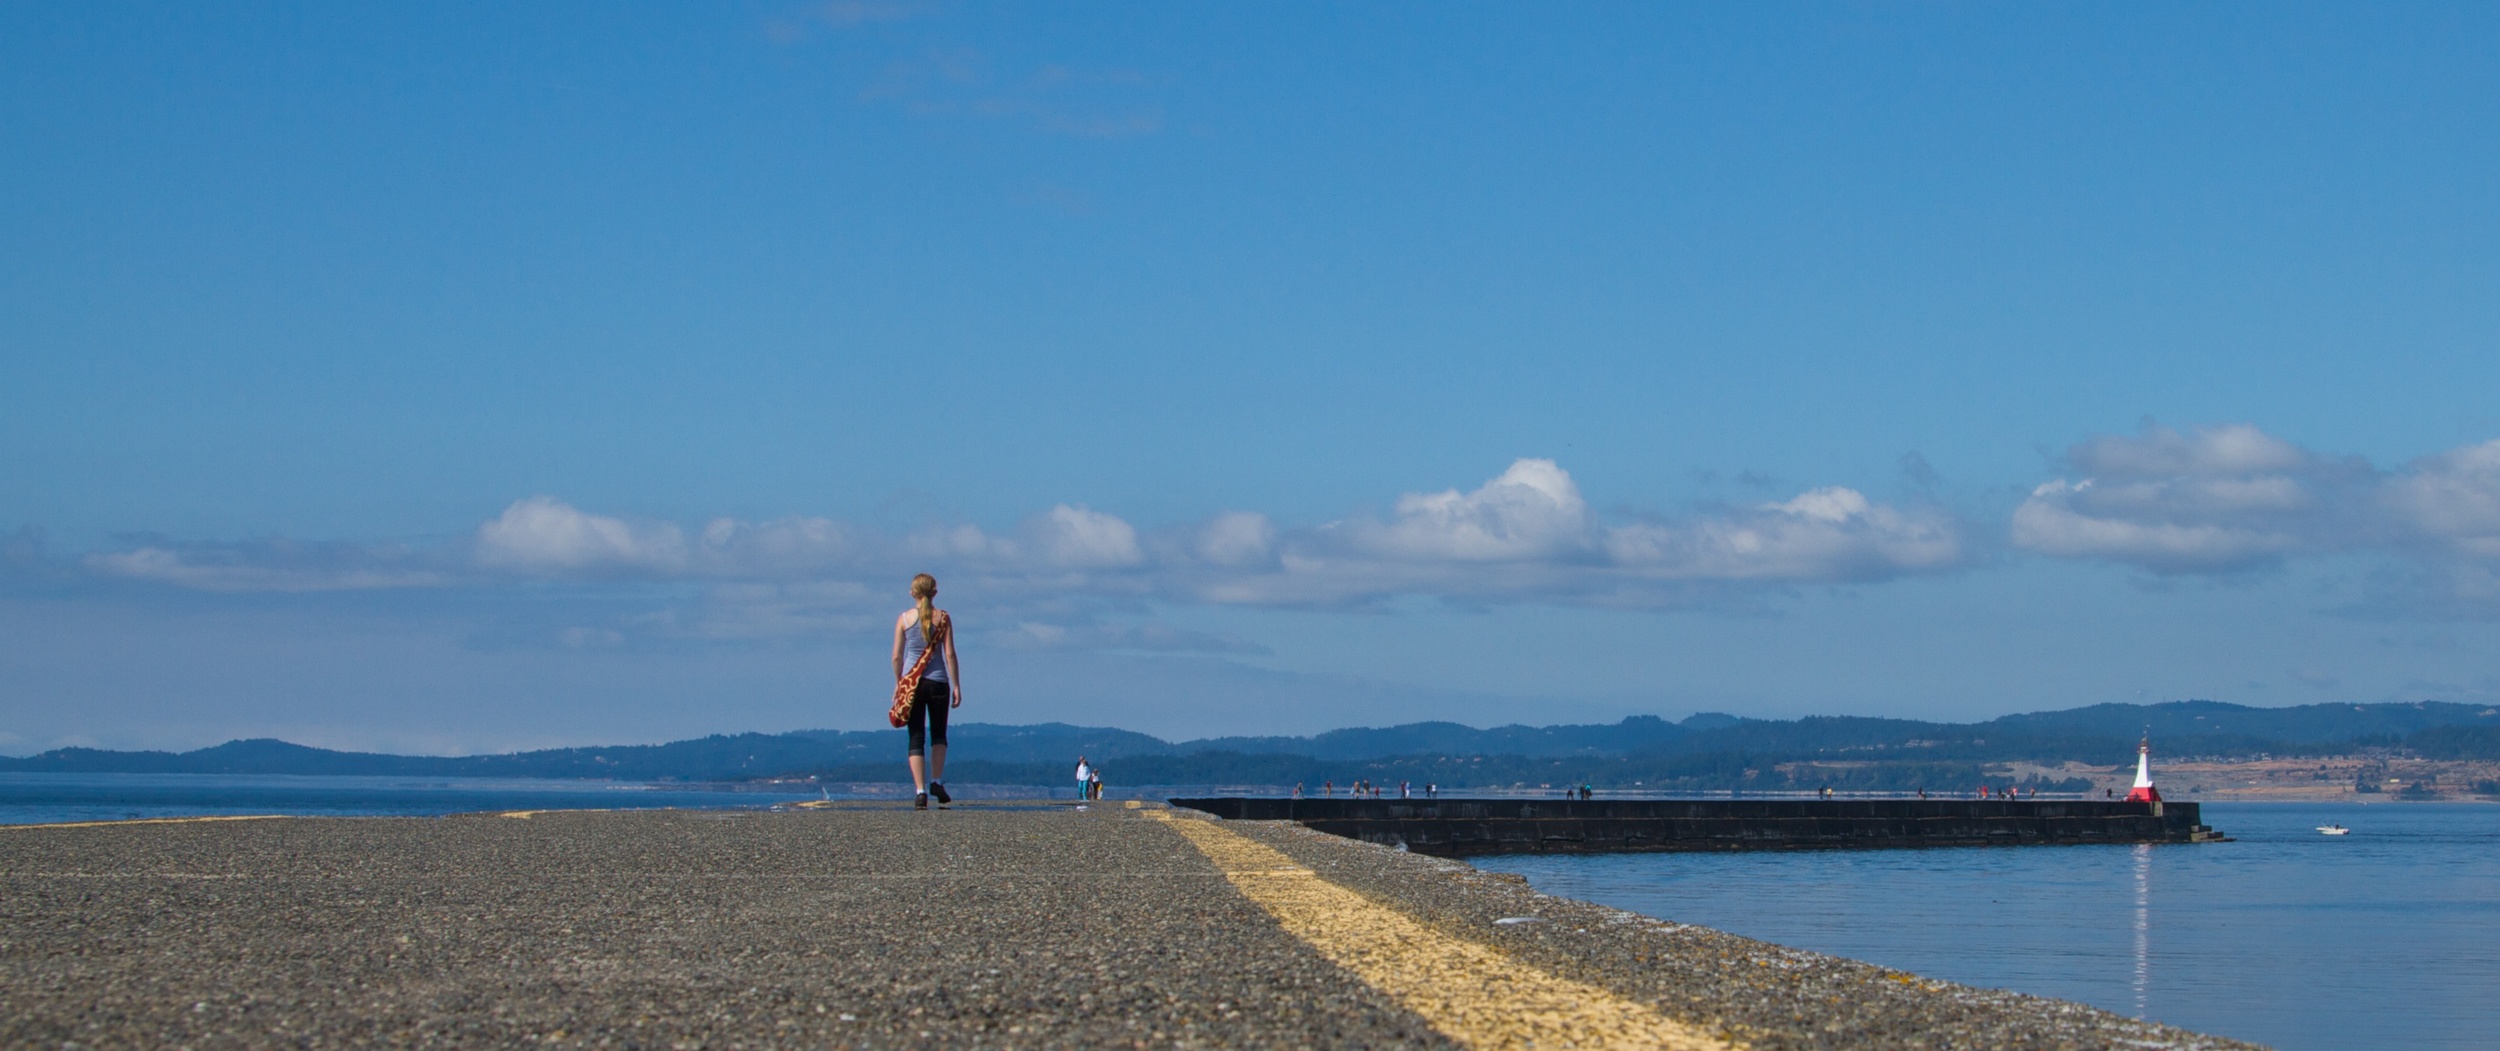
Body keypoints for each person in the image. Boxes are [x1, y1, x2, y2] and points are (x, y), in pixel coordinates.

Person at [892, 573, 962, 810]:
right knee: (939, 735)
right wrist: (957, 685)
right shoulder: (943, 618)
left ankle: (920, 790)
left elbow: (897, 656)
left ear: (913, 593)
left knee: (916, 737)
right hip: (939, 681)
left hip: (912, 684)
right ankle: (936, 781)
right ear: (935, 593)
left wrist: (899, 683)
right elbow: (950, 654)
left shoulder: (903, 619)